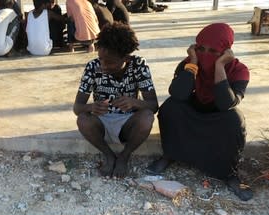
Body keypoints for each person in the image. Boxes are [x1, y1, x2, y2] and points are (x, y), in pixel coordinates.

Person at [146, 23, 253, 201]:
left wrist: (219, 67)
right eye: (201, 48)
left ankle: (229, 173)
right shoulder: (188, 64)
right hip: (192, 110)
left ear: (226, 52)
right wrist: (193, 63)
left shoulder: (239, 70)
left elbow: (226, 103)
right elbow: (179, 94)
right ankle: (170, 155)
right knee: (170, 108)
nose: (205, 55)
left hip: (218, 114)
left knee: (234, 120)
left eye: (213, 51)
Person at [73, 22, 158, 178]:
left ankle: (124, 156)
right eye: (101, 59)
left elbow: (153, 106)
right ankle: (109, 155)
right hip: (101, 122)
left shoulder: (139, 66)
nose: (104, 65)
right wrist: (91, 107)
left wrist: (135, 103)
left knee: (147, 117)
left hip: (128, 123)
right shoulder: (93, 67)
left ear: (126, 57)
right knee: (83, 120)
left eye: (110, 62)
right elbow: (77, 108)